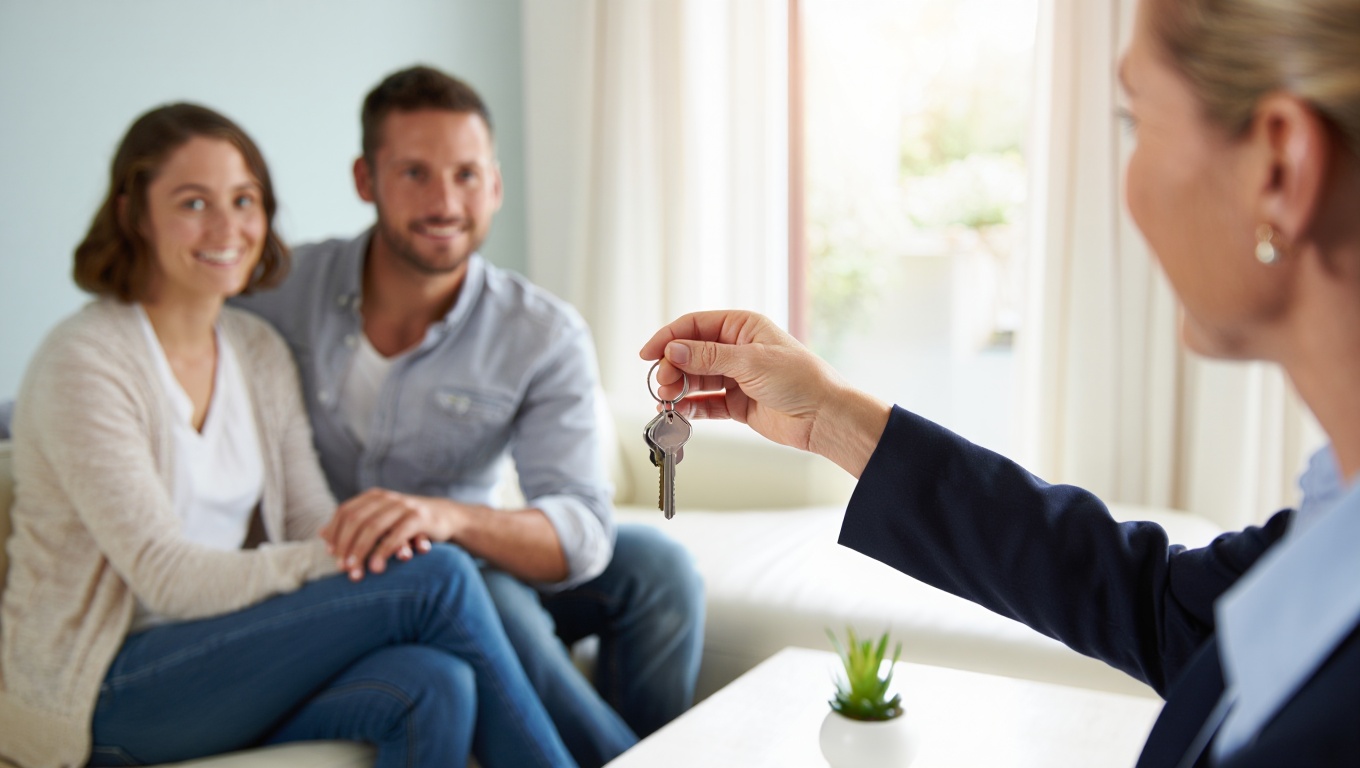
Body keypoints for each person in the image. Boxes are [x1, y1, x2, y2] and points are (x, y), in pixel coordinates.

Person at [641, 0, 1360, 764]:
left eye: (1134, 120)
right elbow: (1156, 604)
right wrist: (830, 416)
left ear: (1279, 168)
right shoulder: (1331, 517)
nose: (1127, 183)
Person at [0, 103, 575, 768]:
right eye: (193, 203)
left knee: (435, 683)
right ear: (134, 213)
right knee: (437, 576)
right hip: (104, 684)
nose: (227, 227)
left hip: (222, 648)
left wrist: (364, 547)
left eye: (244, 200)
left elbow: (309, 521)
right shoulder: (86, 359)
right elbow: (166, 577)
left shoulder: (256, 348)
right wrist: (356, 563)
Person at [232, 66, 705, 767]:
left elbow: (580, 528)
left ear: (496, 185)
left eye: (466, 174)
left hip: (465, 552)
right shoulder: (278, 289)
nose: (445, 201)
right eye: (415, 173)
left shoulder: (542, 332)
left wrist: (445, 518)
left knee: (659, 568)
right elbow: (154, 366)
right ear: (366, 180)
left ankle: (655, 752)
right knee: (487, 597)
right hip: (347, 582)